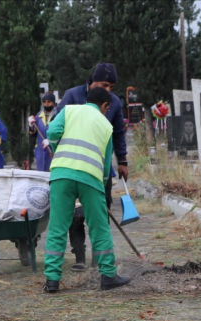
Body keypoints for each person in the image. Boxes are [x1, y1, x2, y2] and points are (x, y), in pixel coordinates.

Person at [43, 87, 131, 292]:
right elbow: (106, 161)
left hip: (61, 175)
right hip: (90, 178)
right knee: (99, 227)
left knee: (57, 227)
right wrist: (101, 187)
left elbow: (52, 132)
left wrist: (59, 152)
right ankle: (108, 276)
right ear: (104, 106)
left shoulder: (69, 110)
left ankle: (52, 281)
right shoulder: (105, 125)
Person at [55, 63, 128, 272]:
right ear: (92, 81)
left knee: (100, 214)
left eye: (111, 87)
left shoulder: (113, 102)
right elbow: (55, 125)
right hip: (73, 167)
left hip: (99, 169)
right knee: (75, 213)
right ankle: (79, 256)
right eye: (104, 85)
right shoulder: (72, 96)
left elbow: (118, 133)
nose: (108, 91)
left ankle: (99, 259)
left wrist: (122, 161)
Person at [29, 91, 58, 171]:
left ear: (53, 102)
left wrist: (50, 141)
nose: (46, 104)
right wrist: (31, 126)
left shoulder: (58, 115)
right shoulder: (38, 115)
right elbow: (33, 134)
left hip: (53, 151)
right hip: (40, 152)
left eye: (49, 102)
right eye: (44, 102)